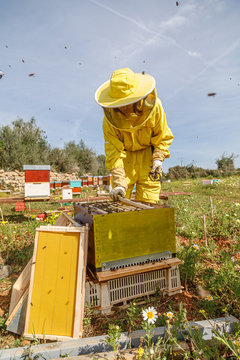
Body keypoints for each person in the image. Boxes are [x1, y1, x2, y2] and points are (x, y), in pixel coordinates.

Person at [95, 68, 174, 204]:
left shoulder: (155, 107)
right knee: (120, 202)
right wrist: (119, 181)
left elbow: (162, 135)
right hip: (125, 161)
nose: (124, 107)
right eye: (120, 103)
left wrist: (158, 159)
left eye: (127, 102)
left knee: (149, 203)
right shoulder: (109, 121)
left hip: (148, 159)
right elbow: (113, 151)